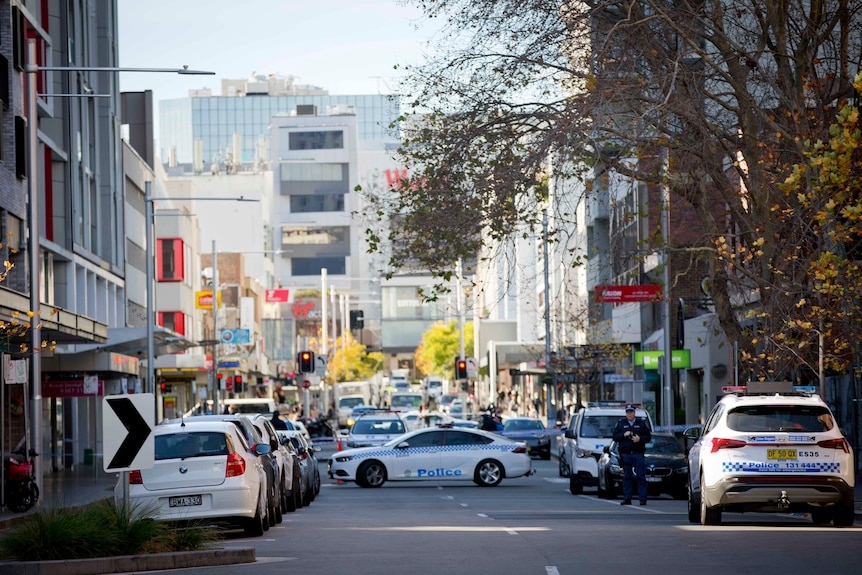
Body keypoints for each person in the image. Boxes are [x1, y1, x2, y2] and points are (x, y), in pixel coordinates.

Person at [612, 405, 651, 506]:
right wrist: (623, 435)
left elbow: (648, 437)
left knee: (641, 476)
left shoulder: (641, 423)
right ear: (626, 413)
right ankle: (627, 498)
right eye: (628, 412)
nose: (629, 414)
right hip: (626, 454)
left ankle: (642, 499)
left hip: (638, 453)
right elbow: (615, 437)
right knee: (627, 477)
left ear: (634, 413)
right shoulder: (621, 424)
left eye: (631, 412)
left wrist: (640, 439)